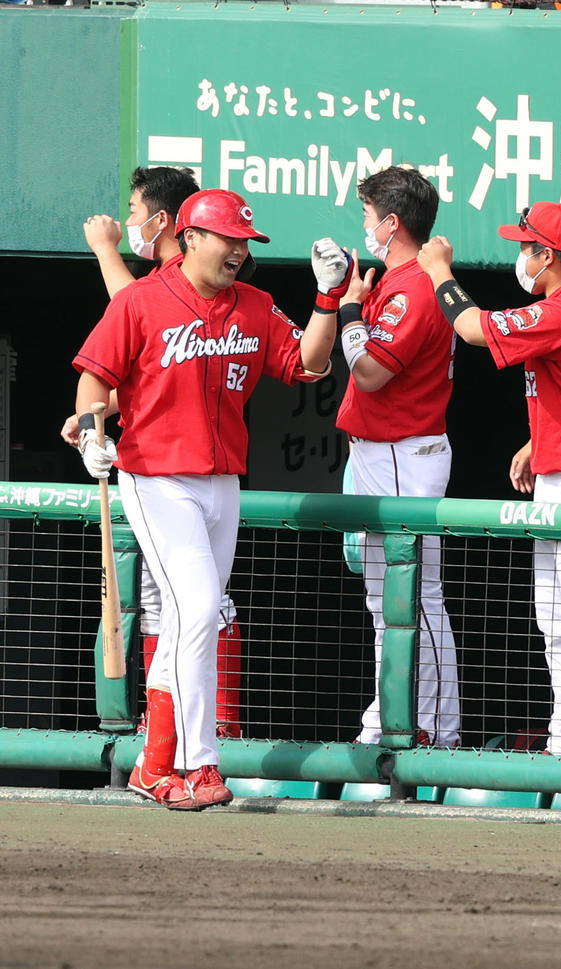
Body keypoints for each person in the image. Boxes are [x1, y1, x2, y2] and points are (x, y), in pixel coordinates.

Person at [73, 189, 345, 808]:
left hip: (224, 480)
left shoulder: (253, 303)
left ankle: (153, 764)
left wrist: (328, 299)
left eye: (245, 242)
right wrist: (92, 433)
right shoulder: (142, 299)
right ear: (192, 237)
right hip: (158, 476)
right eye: (228, 239)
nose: (238, 252)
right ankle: (202, 764)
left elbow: (309, 366)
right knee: (197, 609)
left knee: (187, 622)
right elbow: (96, 375)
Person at [418, 201, 561, 757]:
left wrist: (440, 272)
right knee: (557, 618)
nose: (519, 256)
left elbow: (472, 329)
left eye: (526, 246)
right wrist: (541, 439)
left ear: (548, 255)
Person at [63, 166, 246, 739]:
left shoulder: (182, 278)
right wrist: (96, 418)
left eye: (138, 211)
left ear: (172, 223)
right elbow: (147, 365)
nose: (130, 221)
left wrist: (102, 248)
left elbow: (136, 310)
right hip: (161, 471)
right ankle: (169, 747)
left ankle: (195, 740)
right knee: (178, 606)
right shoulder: (165, 279)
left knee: (197, 608)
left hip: (203, 468)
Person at [334, 165, 459, 748]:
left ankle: (432, 728)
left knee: (415, 597)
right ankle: (394, 717)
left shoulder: (412, 287)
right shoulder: (397, 278)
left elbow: (372, 372)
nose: (363, 225)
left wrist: (349, 313)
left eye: (367, 215)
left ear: (391, 222)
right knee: (386, 599)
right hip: (380, 452)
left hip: (406, 453)